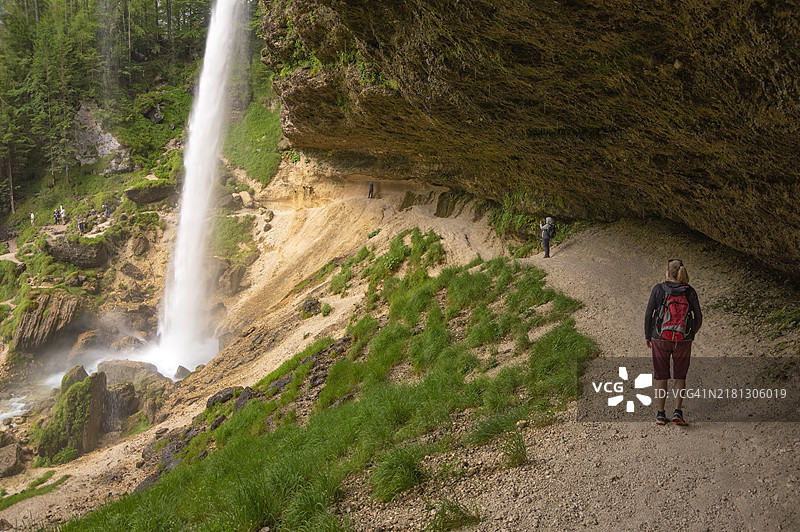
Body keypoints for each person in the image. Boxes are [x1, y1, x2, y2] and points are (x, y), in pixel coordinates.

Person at [644, 259, 702, 426]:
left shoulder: (658, 289)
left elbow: (649, 315)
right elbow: (698, 317)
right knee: (680, 376)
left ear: (668, 273)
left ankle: (660, 414)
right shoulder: (689, 291)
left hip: (660, 338)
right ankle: (677, 412)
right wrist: (690, 334)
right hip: (683, 340)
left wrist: (648, 335)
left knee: (661, 376)